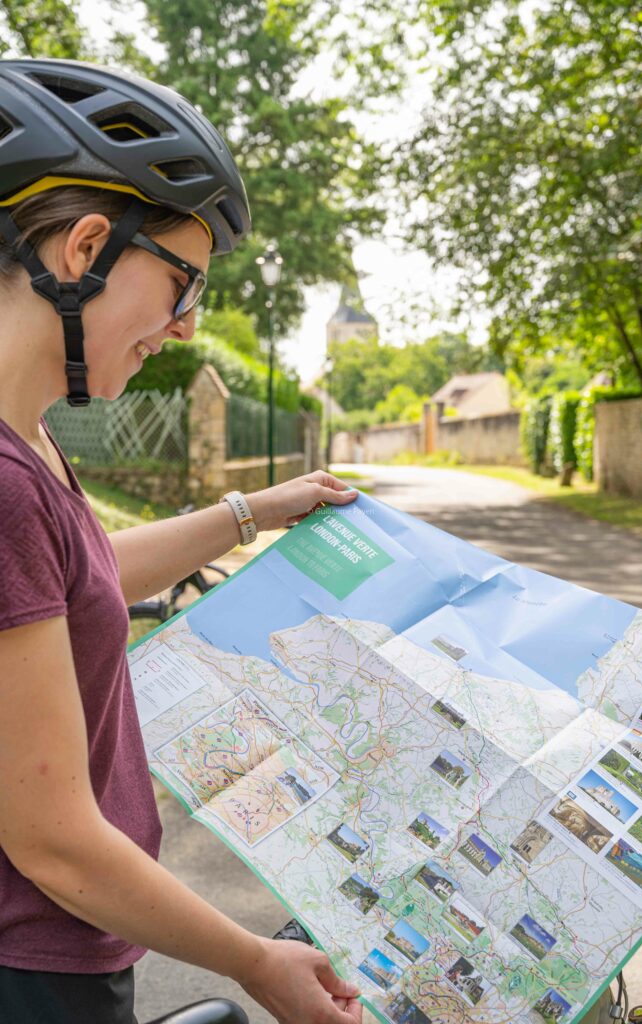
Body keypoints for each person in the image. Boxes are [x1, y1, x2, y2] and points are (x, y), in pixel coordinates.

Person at [0, 57, 362, 1024]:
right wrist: (254, 962)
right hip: (35, 971)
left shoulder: (27, 440)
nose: (187, 326)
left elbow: (76, 579)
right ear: (84, 250)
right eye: (181, 283)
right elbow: (56, 844)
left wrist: (253, 509)